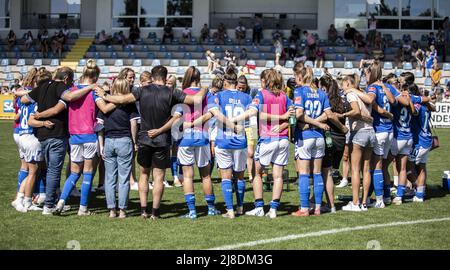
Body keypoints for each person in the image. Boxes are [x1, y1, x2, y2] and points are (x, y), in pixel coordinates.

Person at [95, 65, 208, 220]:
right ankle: (155, 212)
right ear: (165, 77)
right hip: (162, 140)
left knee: (143, 175)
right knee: (159, 178)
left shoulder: (141, 90)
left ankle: (143, 210)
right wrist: (205, 88)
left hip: (144, 139)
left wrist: (104, 95)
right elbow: (196, 100)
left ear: (153, 76)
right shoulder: (171, 92)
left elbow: (121, 99)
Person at [20, 67, 90, 215]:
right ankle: (49, 205)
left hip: (42, 135)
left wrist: (38, 108)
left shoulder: (43, 86)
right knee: (53, 170)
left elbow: (24, 99)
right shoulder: (61, 87)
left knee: (46, 169)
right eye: (70, 81)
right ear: (66, 79)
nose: (71, 84)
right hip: (56, 133)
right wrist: (91, 86)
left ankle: (45, 198)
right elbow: (70, 97)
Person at [54, 60, 116, 216]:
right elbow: (105, 108)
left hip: (74, 135)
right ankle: (83, 208)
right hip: (89, 135)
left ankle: (61, 202)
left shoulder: (72, 90)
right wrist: (119, 100)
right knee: (88, 172)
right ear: (95, 76)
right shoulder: (94, 91)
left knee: (74, 173)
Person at [235, 69, 294, 218]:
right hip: (283, 139)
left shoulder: (261, 94)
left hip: (268, 139)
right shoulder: (284, 96)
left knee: (256, 172)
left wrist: (234, 119)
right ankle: (273, 209)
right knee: (278, 175)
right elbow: (294, 116)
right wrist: (284, 124)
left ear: (265, 80)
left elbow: (255, 112)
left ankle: (259, 206)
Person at [203, 68, 252, 219]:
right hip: (240, 141)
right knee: (239, 177)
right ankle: (240, 207)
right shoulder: (246, 97)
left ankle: (230, 210)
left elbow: (216, 114)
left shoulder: (218, 96)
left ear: (225, 82)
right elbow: (251, 119)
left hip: (224, 141)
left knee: (225, 177)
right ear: (236, 82)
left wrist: (230, 124)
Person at [176, 67, 219, 219]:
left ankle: (192, 211)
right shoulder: (206, 92)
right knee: (205, 175)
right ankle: (211, 208)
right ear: (199, 78)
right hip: (202, 136)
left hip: (185, 138)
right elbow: (212, 112)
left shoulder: (181, 93)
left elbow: (177, 116)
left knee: (187, 176)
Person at [291, 67, 333, 217]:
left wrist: (312, 123)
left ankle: (304, 208)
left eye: (296, 76)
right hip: (319, 137)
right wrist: (319, 123)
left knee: (303, 174)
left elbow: (300, 114)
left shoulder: (299, 91)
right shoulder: (321, 93)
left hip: (305, 136)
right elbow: (328, 114)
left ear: (301, 77)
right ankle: (317, 208)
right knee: (317, 173)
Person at [98, 78, 139, 218]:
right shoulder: (130, 105)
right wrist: (134, 142)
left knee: (109, 178)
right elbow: (133, 124)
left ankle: (111, 210)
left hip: (109, 141)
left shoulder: (106, 104)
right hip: (124, 140)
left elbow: (99, 127)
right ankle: (122, 210)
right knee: (124, 178)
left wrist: (101, 145)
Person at [340, 74, 375, 212]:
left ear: (348, 83)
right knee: (366, 169)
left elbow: (356, 111)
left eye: (343, 84)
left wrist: (344, 115)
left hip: (359, 131)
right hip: (371, 131)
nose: (342, 87)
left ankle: (355, 203)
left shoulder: (351, 95)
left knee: (355, 170)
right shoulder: (364, 94)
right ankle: (364, 202)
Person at [319, 75, 349, 213]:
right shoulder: (342, 99)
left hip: (330, 138)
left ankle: (330, 205)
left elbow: (329, 115)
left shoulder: (325, 98)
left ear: (324, 87)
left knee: (324, 172)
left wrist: (313, 121)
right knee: (328, 172)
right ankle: (317, 199)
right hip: (341, 140)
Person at [409, 88, 434, 202]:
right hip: (427, 139)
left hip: (420, 141)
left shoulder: (418, 105)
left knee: (408, 167)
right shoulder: (426, 105)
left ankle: (418, 190)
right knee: (422, 167)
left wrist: (410, 101)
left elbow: (414, 112)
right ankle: (421, 193)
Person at [237, 75, 258, 182]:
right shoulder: (234, 95)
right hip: (238, 126)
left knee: (250, 153)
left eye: (243, 88)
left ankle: (251, 175)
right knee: (238, 152)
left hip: (251, 125)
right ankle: (237, 174)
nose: (241, 90)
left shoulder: (252, 92)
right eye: (239, 87)